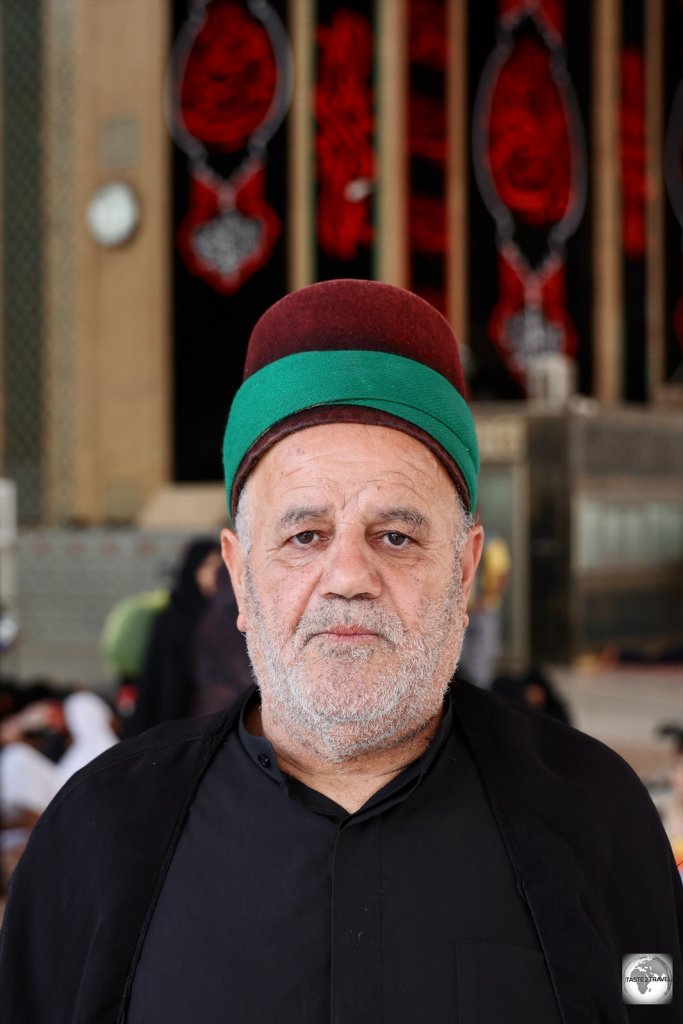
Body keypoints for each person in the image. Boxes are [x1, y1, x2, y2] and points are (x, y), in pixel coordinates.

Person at [1, 280, 681, 1022]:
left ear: (462, 571)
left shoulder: (593, 815)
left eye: (396, 536)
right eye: (304, 536)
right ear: (238, 573)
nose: (349, 579)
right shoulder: (99, 833)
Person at [125, 538, 222, 735]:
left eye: (220, 566)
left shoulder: (226, 615)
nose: (215, 573)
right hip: (175, 715)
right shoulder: (174, 616)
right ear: (192, 568)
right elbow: (161, 678)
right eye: (206, 565)